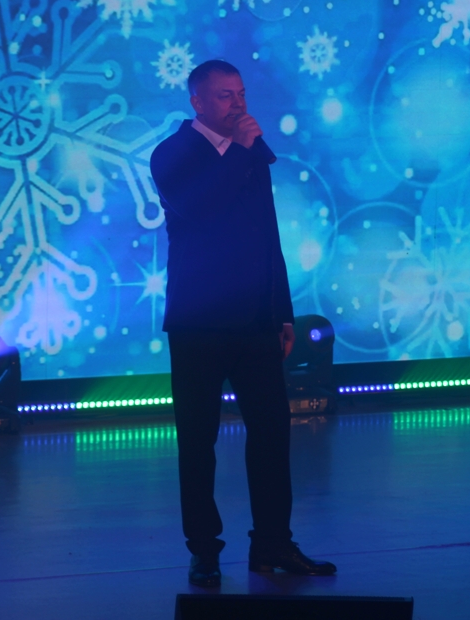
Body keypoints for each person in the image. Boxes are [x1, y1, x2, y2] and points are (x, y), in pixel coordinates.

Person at [150, 59, 336, 586]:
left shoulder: (251, 154)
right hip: (199, 322)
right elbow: (199, 209)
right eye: (225, 95)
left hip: (255, 319)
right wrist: (241, 150)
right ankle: (204, 550)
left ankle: (273, 544)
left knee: (272, 433)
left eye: (241, 93)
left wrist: (281, 310)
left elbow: (266, 234)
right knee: (198, 440)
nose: (238, 103)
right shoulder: (172, 154)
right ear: (198, 102)